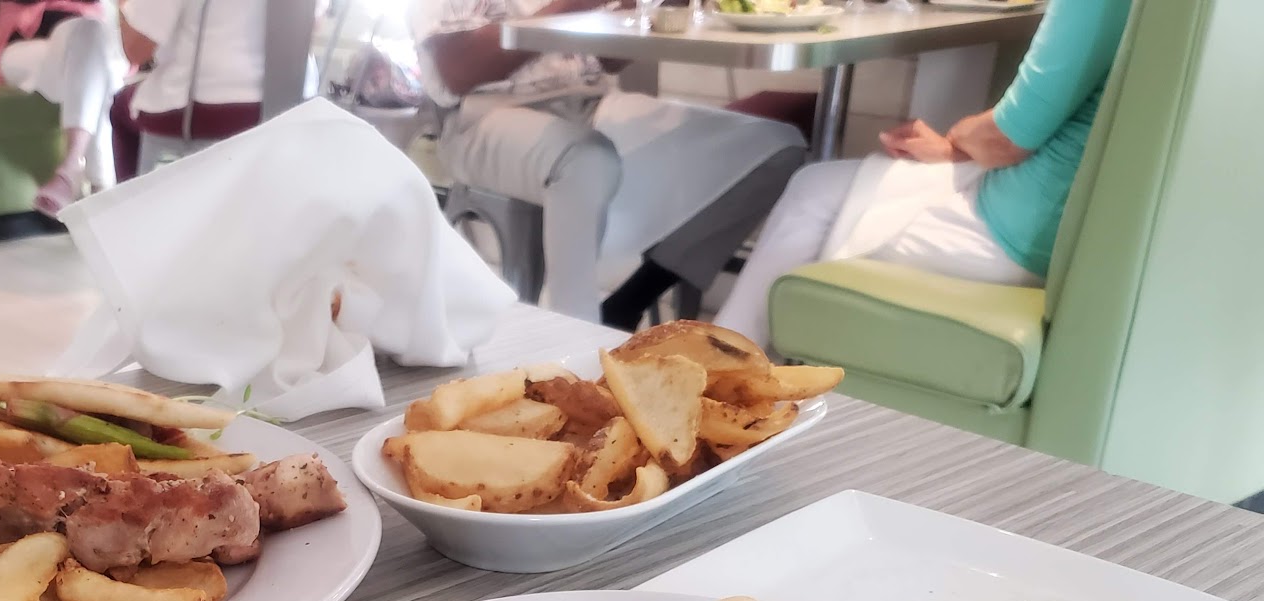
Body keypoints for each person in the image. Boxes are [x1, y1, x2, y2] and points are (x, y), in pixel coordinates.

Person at [714, 0, 1134, 351]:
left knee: (812, 193)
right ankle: (742, 372)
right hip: (1093, 233)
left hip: (1020, 235)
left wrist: (957, 138)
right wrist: (956, 150)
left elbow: (1007, 139)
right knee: (822, 187)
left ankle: (717, 381)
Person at [414, 0, 806, 327]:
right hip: (482, 115)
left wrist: (651, 9)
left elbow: (607, 60)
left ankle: (627, 305)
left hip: (592, 103)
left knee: (776, 146)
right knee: (586, 159)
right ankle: (571, 332)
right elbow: (457, 71)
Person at [0, 1, 127, 216]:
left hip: (90, 41)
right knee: (96, 65)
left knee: (90, 34)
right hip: (27, 47)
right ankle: (100, 187)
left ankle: (72, 172)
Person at [109, 0, 266, 184]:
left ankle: (132, 199)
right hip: (271, 108)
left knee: (121, 107)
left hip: (191, 110)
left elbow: (135, 50)